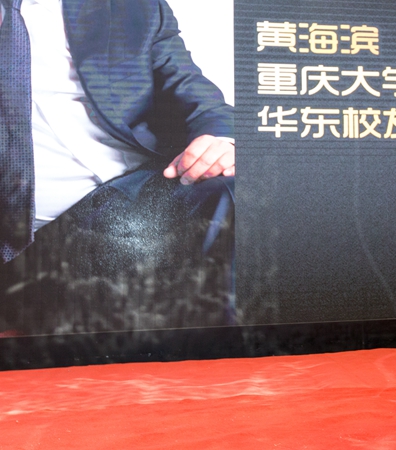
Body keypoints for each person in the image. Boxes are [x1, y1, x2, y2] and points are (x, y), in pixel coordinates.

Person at [0, 0, 235, 335]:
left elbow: (194, 92)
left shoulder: (135, 7)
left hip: (136, 194)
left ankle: (242, 358)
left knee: (235, 190)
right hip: (33, 234)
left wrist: (220, 139)